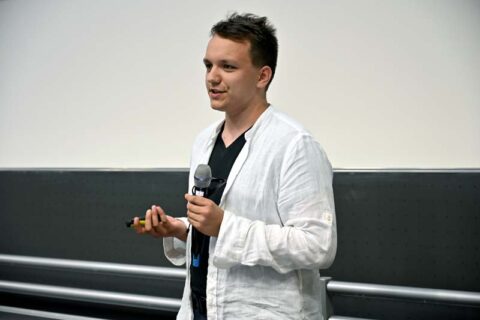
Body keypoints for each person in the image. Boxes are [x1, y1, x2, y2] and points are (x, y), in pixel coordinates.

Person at [133, 12, 337, 320]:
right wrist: (182, 230)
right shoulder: (203, 142)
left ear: (262, 76)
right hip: (201, 310)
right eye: (208, 65)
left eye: (228, 67)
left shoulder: (294, 146)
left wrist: (224, 226)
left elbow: (318, 245)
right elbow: (220, 237)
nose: (212, 77)